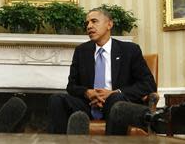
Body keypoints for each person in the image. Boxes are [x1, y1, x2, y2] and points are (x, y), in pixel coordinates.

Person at [47, 7, 157, 135]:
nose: (89, 26)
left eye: (94, 21)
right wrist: (88, 92)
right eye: (87, 23)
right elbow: (71, 86)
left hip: (116, 104)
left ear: (109, 24)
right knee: (56, 99)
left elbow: (148, 84)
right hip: (88, 105)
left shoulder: (129, 50)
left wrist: (115, 93)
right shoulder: (81, 51)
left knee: (116, 99)